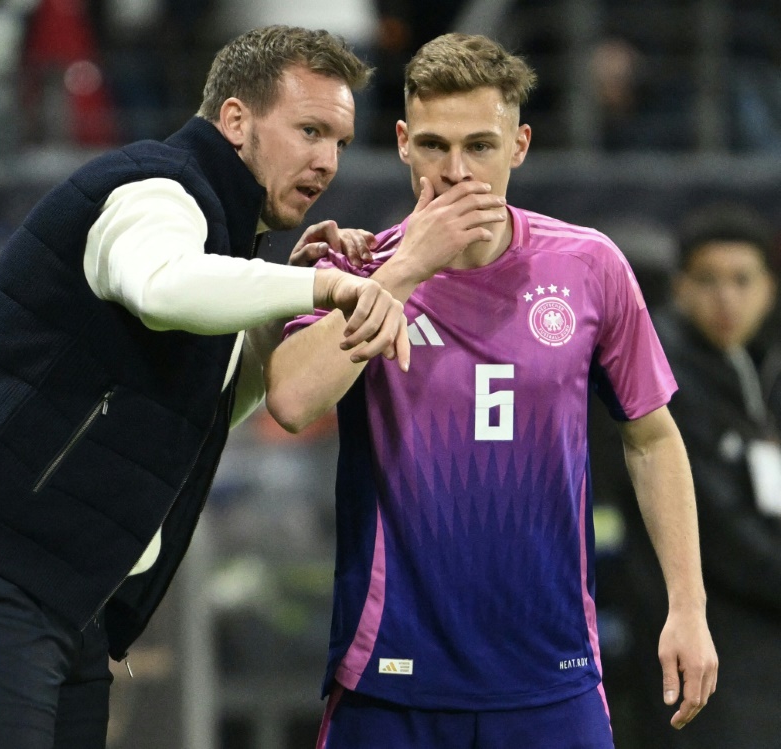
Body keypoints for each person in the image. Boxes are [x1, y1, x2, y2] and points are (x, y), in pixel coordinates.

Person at [0, 25, 410, 749]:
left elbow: (210, 407)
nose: (326, 161)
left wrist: (286, 303)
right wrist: (313, 282)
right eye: (309, 130)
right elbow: (158, 286)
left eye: (340, 142)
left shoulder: (223, 240)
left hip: (65, 598)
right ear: (234, 121)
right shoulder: (157, 187)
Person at [263, 33, 718, 748]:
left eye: (480, 145)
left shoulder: (590, 266)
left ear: (520, 145)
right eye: (436, 146)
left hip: (551, 676)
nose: (456, 172)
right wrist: (407, 269)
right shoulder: (356, 269)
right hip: (390, 679)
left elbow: (652, 435)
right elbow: (290, 400)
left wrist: (687, 606)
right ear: (404, 143)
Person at [619, 203, 780, 749]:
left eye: (742, 280)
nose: (726, 298)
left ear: (770, 288)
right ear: (680, 287)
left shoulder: (762, 368)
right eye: (708, 281)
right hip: (704, 644)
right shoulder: (662, 375)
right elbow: (719, 527)